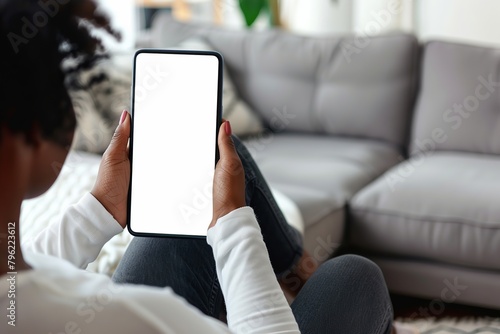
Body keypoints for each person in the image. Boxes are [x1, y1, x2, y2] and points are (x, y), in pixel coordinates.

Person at [0, 0, 411, 333]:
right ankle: (294, 269)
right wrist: (232, 224)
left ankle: (293, 269)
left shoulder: (18, 293)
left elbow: (20, 281)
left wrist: (100, 210)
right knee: (354, 277)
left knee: (208, 173)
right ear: (38, 129)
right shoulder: (138, 318)